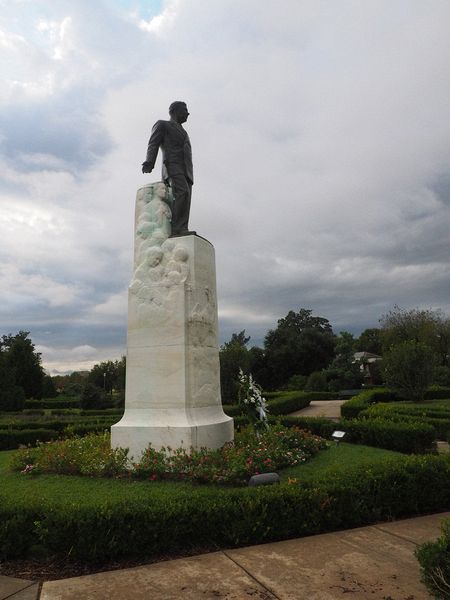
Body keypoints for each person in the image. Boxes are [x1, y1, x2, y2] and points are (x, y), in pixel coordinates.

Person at [142, 101, 194, 236]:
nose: (187, 113)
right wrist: (149, 161)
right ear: (175, 111)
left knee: (186, 196)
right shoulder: (163, 124)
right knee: (182, 192)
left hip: (187, 170)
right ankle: (176, 228)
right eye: (185, 110)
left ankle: (182, 228)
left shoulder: (184, 132)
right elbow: (153, 143)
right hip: (172, 165)